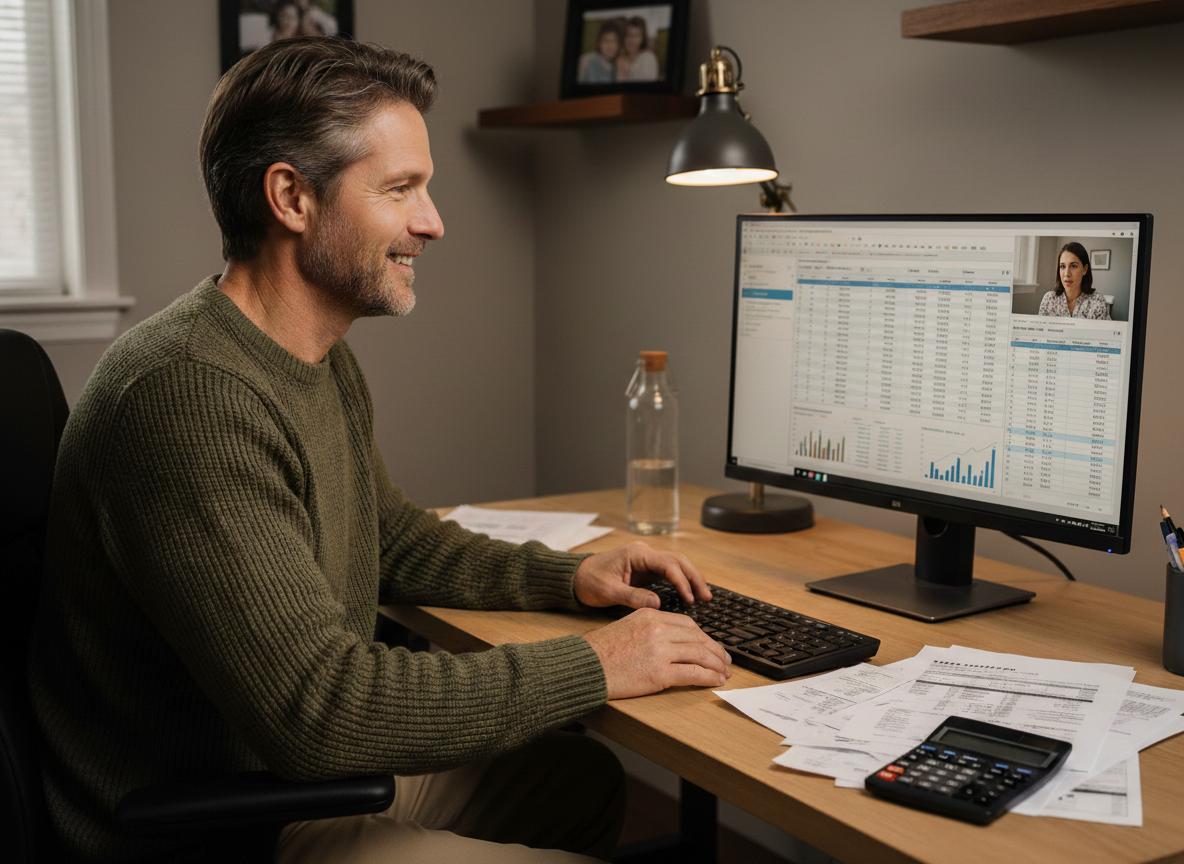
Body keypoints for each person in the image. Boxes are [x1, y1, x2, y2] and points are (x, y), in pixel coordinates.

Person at [27, 36, 731, 864]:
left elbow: (385, 532)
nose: (432, 222)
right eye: (401, 189)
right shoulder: (188, 397)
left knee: (575, 782)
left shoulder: (312, 351)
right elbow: (320, 711)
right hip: (214, 825)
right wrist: (594, 662)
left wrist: (565, 577)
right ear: (292, 198)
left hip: (274, 779)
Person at [1038, 241, 1110, 319]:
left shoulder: (1097, 301)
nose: (1066, 274)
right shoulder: (1049, 300)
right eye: (1062, 266)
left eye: (1073, 266)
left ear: (1084, 269)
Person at [577, 20, 621, 84]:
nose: (610, 46)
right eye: (606, 41)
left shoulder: (616, 66)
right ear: (599, 43)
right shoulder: (589, 61)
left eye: (614, 41)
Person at [616, 17, 659, 82]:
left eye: (636, 35)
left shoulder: (648, 58)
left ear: (642, 38)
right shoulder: (618, 58)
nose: (632, 40)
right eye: (629, 35)